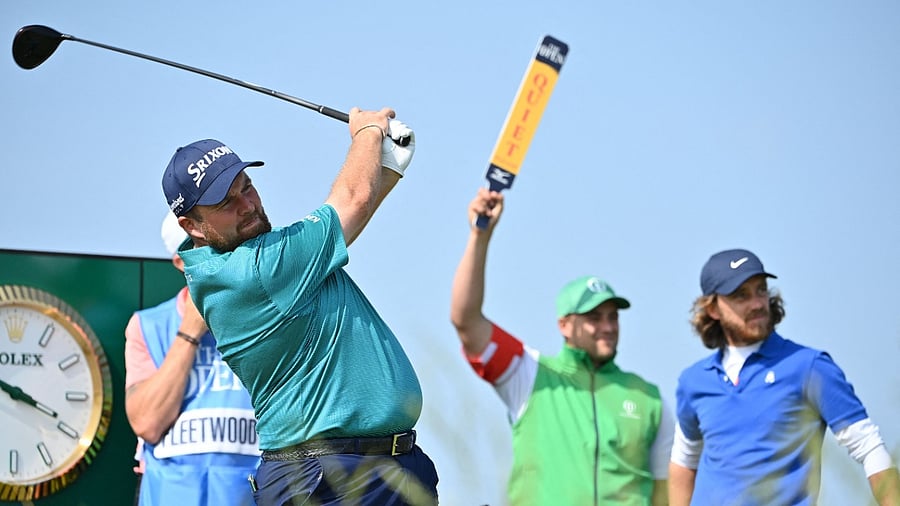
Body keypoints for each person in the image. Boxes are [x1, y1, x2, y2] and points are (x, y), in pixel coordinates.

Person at [159, 107, 438, 505]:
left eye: (247, 187)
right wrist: (369, 132)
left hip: (364, 471)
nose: (247, 205)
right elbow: (352, 200)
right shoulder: (256, 270)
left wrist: (387, 167)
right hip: (332, 479)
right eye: (225, 203)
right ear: (191, 226)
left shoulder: (257, 262)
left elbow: (346, 222)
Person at [450, 187, 674, 506]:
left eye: (613, 317)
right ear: (564, 325)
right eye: (594, 317)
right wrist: (479, 237)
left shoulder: (649, 398)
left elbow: (669, 494)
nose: (608, 327)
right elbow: (466, 320)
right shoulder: (528, 374)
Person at [669, 248, 900, 505]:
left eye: (761, 289)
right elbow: (684, 461)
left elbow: (869, 448)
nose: (757, 303)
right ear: (713, 309)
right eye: (741, 295)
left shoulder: (810, 367)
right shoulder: (694, 381)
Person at [124, 211, 260, 506]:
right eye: (202, 251)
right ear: (179, 262)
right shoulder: (148, 326)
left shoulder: (269, 318)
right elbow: (147, 423)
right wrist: (190, 332)